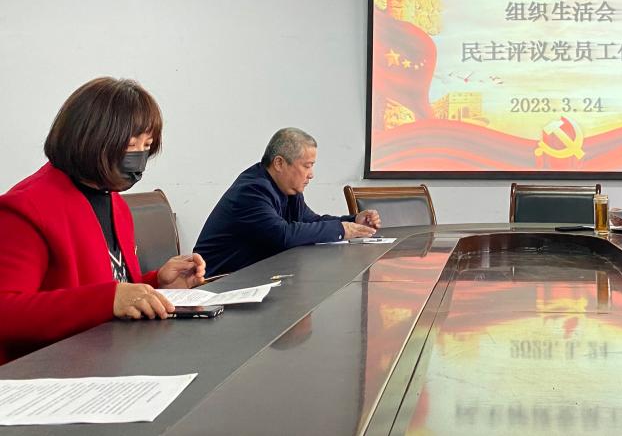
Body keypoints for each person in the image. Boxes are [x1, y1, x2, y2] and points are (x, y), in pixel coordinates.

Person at [0, 78, 206, 365]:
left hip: (112, 356)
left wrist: (157, 283)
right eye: (131, 145)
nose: (139, 157)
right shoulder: (27, 207)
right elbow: (6, 311)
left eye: (147, 146)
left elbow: (107, 285)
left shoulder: (114, 202)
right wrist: (109, 299)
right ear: (90, 139)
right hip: (53, 370)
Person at [194, 128, 381, 275]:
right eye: (307, 166)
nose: (311, 175)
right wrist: (341, 229)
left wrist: (353, 221)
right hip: (217, 283)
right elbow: (283, 235)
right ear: (279, 163)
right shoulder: (252, 190)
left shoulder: (288, 189)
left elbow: (310, 221)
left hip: (253, 277)